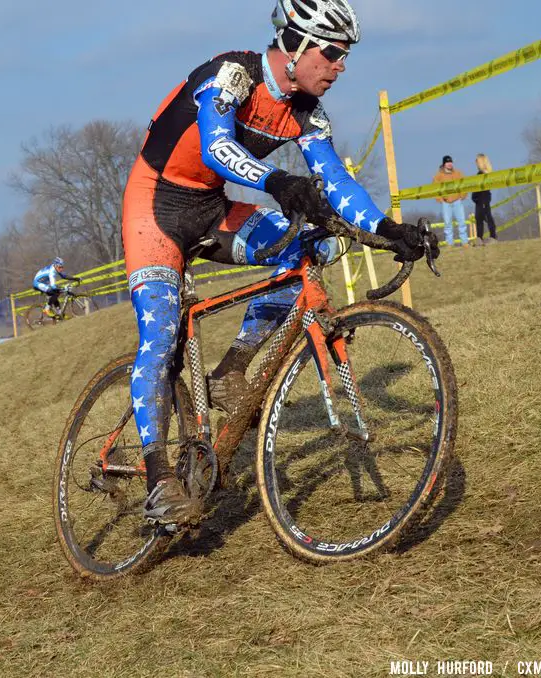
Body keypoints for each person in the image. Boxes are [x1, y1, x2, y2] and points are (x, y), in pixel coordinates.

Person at [121, 0, 439, 525]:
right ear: (294, 45)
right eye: (332, 52)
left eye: (345, 56)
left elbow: (336, 182)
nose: (340, 67)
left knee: (307, 248)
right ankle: (158, 478)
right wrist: (277, 182)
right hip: (154, 206)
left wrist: (386, 230)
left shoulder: (307, 114)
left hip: (211, 208)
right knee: (160, 336)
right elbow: (216, 145)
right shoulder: (231, 76)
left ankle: (233, 367)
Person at [433, 155, 469, 247]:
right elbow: (435, 188)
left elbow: (463, 184)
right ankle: (450, 243)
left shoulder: (458, 173)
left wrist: (463, 195)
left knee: (462, 222)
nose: (449, 164)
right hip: (446, 203)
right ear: (444, 164)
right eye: (447, 162)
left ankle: (464, 242)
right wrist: (440, 199)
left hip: (457, 201)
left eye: (450, 162)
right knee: (448, 223)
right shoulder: (439, 176)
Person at [471, 153, 497, 243]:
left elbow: (482, 188)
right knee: (479, 218)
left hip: (483, 198)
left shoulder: (484, 174)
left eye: (477, 161)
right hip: (479, 199)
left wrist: (477, 197)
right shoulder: (479, 173)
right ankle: (479, 237)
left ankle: (493, 236)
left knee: (487, 217)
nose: (476, 163)